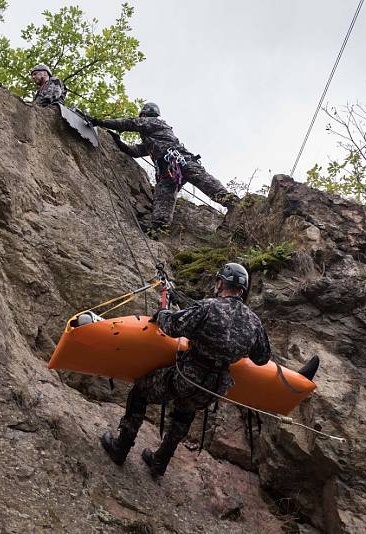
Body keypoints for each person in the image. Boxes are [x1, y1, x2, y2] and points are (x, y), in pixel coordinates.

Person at [100, 263, 271, 477]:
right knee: (185, 412)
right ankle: (159, 463)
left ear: (220, 283)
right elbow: (262, 358)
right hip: (214, 387)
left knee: (140, 392)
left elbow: (172, 327)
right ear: (242, 290)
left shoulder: (208, 307)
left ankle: (120, 448)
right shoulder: (254, 323)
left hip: (187, 376)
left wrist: (162, 313)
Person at [88, 102, 239, 237]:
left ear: (145, 114)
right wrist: (118, 142)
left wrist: (100, 122)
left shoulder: (155, 122)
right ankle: (159, 226)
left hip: (181, 160)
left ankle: (231, 201)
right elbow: (135, 151)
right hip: (168, 170)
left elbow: (130, 123)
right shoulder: (152, 139)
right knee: (164, 193)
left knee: (203, 181)